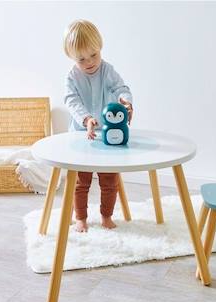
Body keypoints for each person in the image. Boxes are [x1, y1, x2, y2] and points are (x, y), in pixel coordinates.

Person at [63, 19, 133, 232]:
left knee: (109, 179)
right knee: (80, 182)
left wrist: (125, 101)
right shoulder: (72, 76)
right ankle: (81, 218)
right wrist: (86, 119)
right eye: (81, 59)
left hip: (107, 134)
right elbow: (70, 100)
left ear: (100, 47)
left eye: (93, 55)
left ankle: (106, 215)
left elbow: (121, 87)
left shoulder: (107, 70)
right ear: (71, 57)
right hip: (81, 136)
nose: (89, 62)